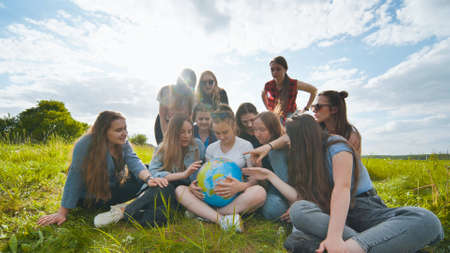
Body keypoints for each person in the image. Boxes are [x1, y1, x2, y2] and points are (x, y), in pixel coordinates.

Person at [246, 114, 443, 253]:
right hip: (333, 213)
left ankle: (350, 247)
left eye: (292, 141)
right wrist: (269, 176)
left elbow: (343, 188)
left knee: (425, 219)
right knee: (299, 210)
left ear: (304, 138)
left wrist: (334, 238)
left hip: (361, 207)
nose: (289, 144)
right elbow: (300, 198)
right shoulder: (308, 159)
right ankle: (373, 242)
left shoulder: (336, 145)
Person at [37, 111, 166, 226]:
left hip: (113, 186)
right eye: (118, 130)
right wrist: (62, 212)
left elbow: (134, 162)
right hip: (93, 197)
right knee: (146, 180)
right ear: (104, 131)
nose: (124, 134)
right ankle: (131, 206)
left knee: (149, 171)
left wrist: (149, 178)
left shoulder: (123, 143)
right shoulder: (85, 145)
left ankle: (128, 206)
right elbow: (74, 176)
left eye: (125, 129)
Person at [93, 113, 205, 227]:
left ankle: (127, 212)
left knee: (158, 217)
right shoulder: (162, 149)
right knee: (164, 186)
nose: (186, 135)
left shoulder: (198, 146)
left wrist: (193, 186)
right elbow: (154, 173)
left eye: (190, 131)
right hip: (163, 188)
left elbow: (201, 171)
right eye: (182, 132)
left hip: (184, 192)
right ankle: (124, 211)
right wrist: (183, 174)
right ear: (173, 132)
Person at [175, 106, 266, 232]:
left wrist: (242, 186)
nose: (221, 137)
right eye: (217, 133)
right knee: (181, 190)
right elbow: (205, 174)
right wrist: (193, 186)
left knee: (260, 192)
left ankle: (206, 214)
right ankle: (223, 220)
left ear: (234, 127)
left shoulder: (246, 146)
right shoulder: (211, 149)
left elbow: (255, 178)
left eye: (225, 132)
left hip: (236, 197)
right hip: (211, 196)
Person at [248, 111, 289, 220]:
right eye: (255, 130)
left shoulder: (285, 146)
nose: (257, 134)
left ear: (273, 129)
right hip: (275, 193)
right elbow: (266, 186)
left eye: (262, 130)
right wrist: (259, 169)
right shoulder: (257, 147)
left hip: (292, 191)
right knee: (271, 207)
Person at [261, 56, 317, 124]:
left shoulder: (293, 84)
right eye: (272, 70)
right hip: (276, 116)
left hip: (291, 115)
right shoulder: (268, 85)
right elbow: (263, 94)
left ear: (285, 69)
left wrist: (306, 108)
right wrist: (268, 108)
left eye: (278, 69)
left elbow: (314, 90)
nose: (275, 72)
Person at [313, 90, 362, 155]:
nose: (314, 110)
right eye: (314, 107)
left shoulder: (350, 136)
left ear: (334, 109)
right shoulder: (316, 131)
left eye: (318, 107)